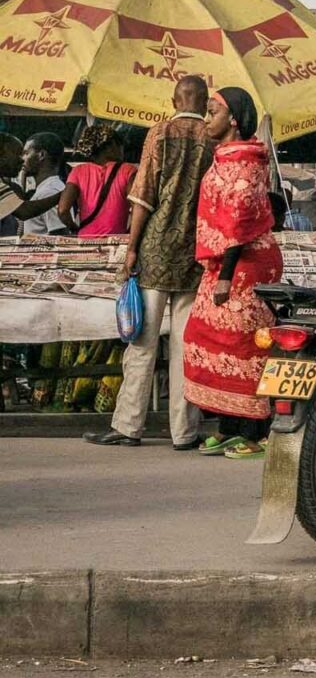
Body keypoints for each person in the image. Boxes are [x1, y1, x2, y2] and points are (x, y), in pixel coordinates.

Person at [89, 78, 216, 449]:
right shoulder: (213, 138)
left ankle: (129, 426)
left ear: (174, 100)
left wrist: (131, 249)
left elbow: (143, 195)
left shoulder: (160, 132)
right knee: (185, 345)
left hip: (157, 248)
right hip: (197, 253)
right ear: (205, 102)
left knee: (142, 341)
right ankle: (185, 432)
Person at [181, 88, 281, 459]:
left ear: (233, 119)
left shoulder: (247, 161)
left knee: (244, 346)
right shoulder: (225, 156)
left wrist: (225, 275)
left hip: (243, 265)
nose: (207, 119)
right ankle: (229, 427)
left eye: (212, 112)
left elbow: (240, 220)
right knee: (206, 337)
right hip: (225, 264)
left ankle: (256, 432)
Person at [59, 124, 136, 238]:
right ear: (111, 146)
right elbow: (137, 208)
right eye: (121, 145)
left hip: (84, 241)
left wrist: (75, 228)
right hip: (115, 243)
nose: (122, 150)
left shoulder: (78, 171)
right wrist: (129, 233)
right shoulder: (128, 170)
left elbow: (63, 210)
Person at [12, 133, 69, 235]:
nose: (22, 159)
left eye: (26, 153)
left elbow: (59, 234)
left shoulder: (50, 191)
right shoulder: (46, 189)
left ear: (41, 155)